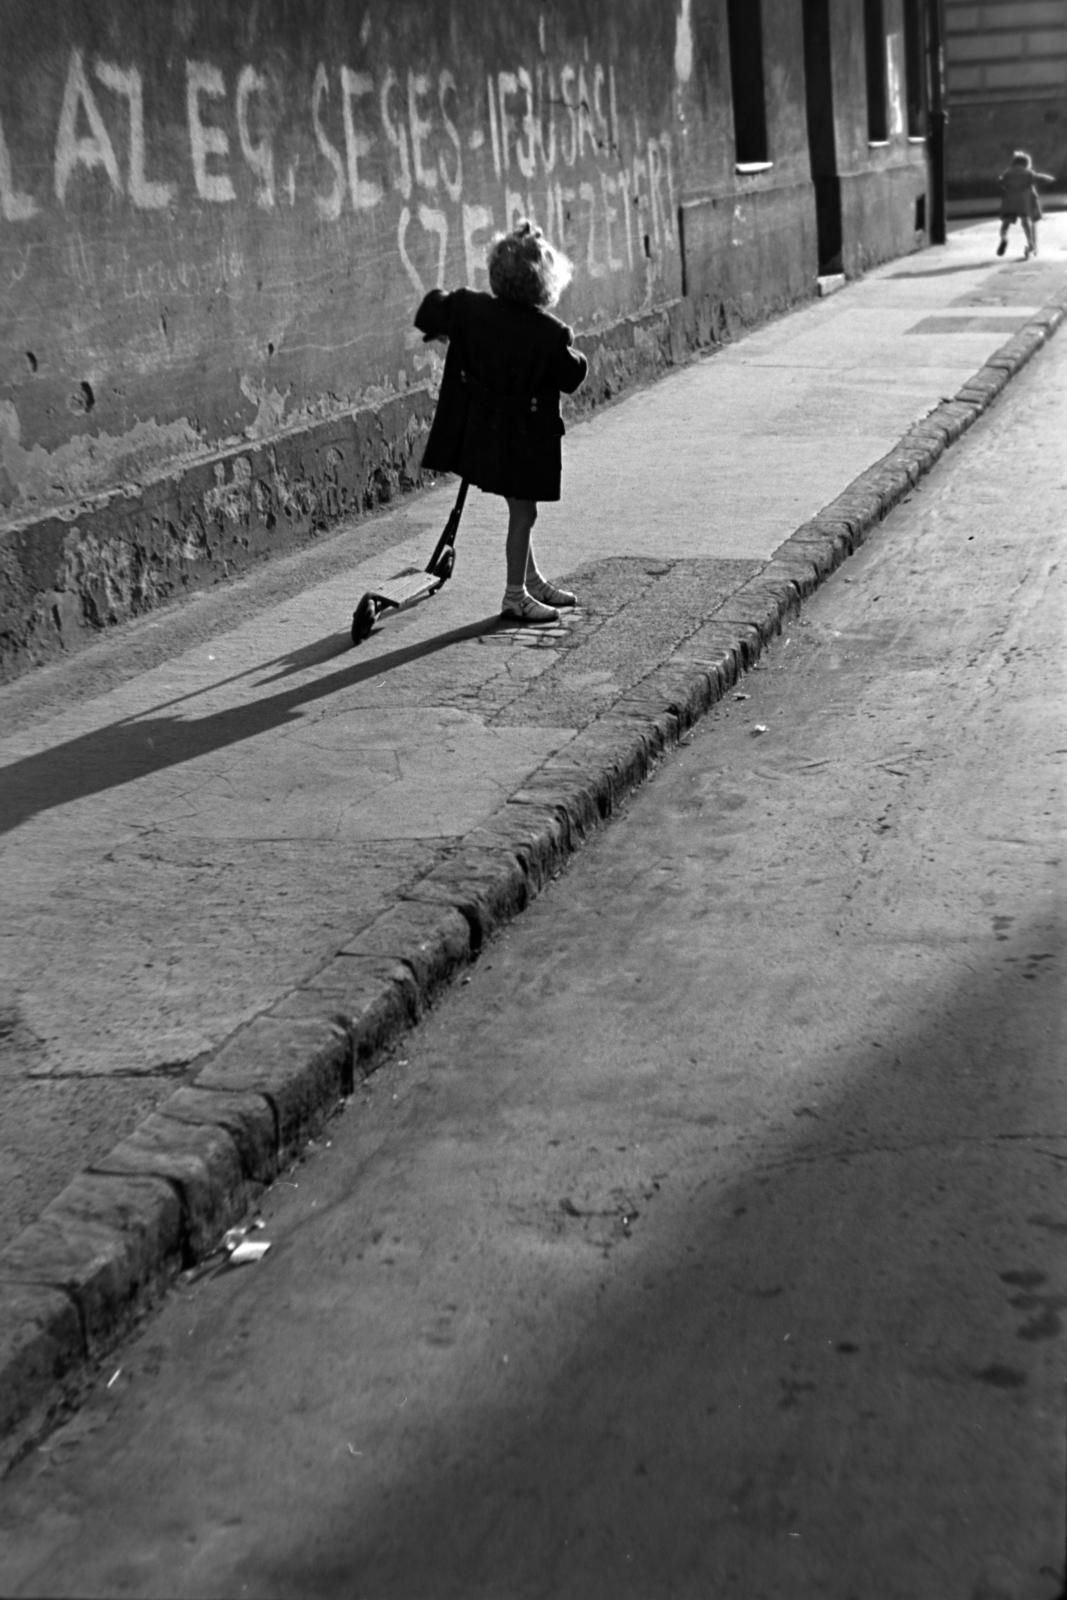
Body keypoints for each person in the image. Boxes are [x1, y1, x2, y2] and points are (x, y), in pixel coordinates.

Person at [414, 221, 588, 624]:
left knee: (520, 509)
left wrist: (449, 332)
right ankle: (515, 596)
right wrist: (575, 352)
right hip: (522, 441)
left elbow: (430, 310)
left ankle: (531, 580)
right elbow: (572, 376)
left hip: (483, 434)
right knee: (524, 515)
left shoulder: (470, 309)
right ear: (544, 283)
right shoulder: (549, 332)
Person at [996, 151, 1054, 260]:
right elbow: (1037, 179)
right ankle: (1030, 242)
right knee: (1025, 222)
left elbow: (1001, 183)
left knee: (1005, 224)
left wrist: (1001, 180)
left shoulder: (1008, 173)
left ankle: (1004, 238)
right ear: (1026, 163)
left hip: (1009, 202)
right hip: (1023, 202)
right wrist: (1048, 178)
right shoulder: (1028, 173)